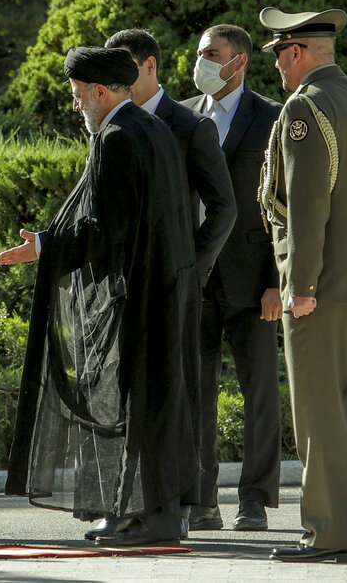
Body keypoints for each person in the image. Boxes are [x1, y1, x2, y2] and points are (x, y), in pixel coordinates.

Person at [0, 46, 235, 547]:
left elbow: (105, 231)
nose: (78, 106)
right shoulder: (154, 131)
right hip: (167, 289)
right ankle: (157, 515)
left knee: (141, 404)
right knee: (161, 403)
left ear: (101, 92)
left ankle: (143, 516)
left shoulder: (119, 138)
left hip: (144, 295)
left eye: (80, 97)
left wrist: (44, 246)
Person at [257, 7, 347, 563]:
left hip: (325, 280)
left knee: (321, 412)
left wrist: (301, 284)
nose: (278, 70)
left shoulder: (304, 107)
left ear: (295, 52)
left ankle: (330, 534)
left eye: (278, 57)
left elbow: (309, 204)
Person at [103, 28, 237, 534]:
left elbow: (224, 207)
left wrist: (191, 265)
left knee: (180, 395)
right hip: (128, 288)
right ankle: (134, 506)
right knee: (133, 397)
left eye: (125, 71)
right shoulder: (109, 121)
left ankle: (186, 505)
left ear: (150, 66)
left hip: (178, 285)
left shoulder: (189, 125)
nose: (116, 82)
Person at [180, 24, 283, 532]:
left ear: (239, 61)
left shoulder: (270, 118)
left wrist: (278, 280)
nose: (200, 61)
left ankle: (256, 500)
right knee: (196, 395)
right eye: (200, 53)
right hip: (195, 280)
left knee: (260, 392)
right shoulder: (182, 116)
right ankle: (201, 502)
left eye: (211, 54)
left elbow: (281, 208)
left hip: (253, 281)